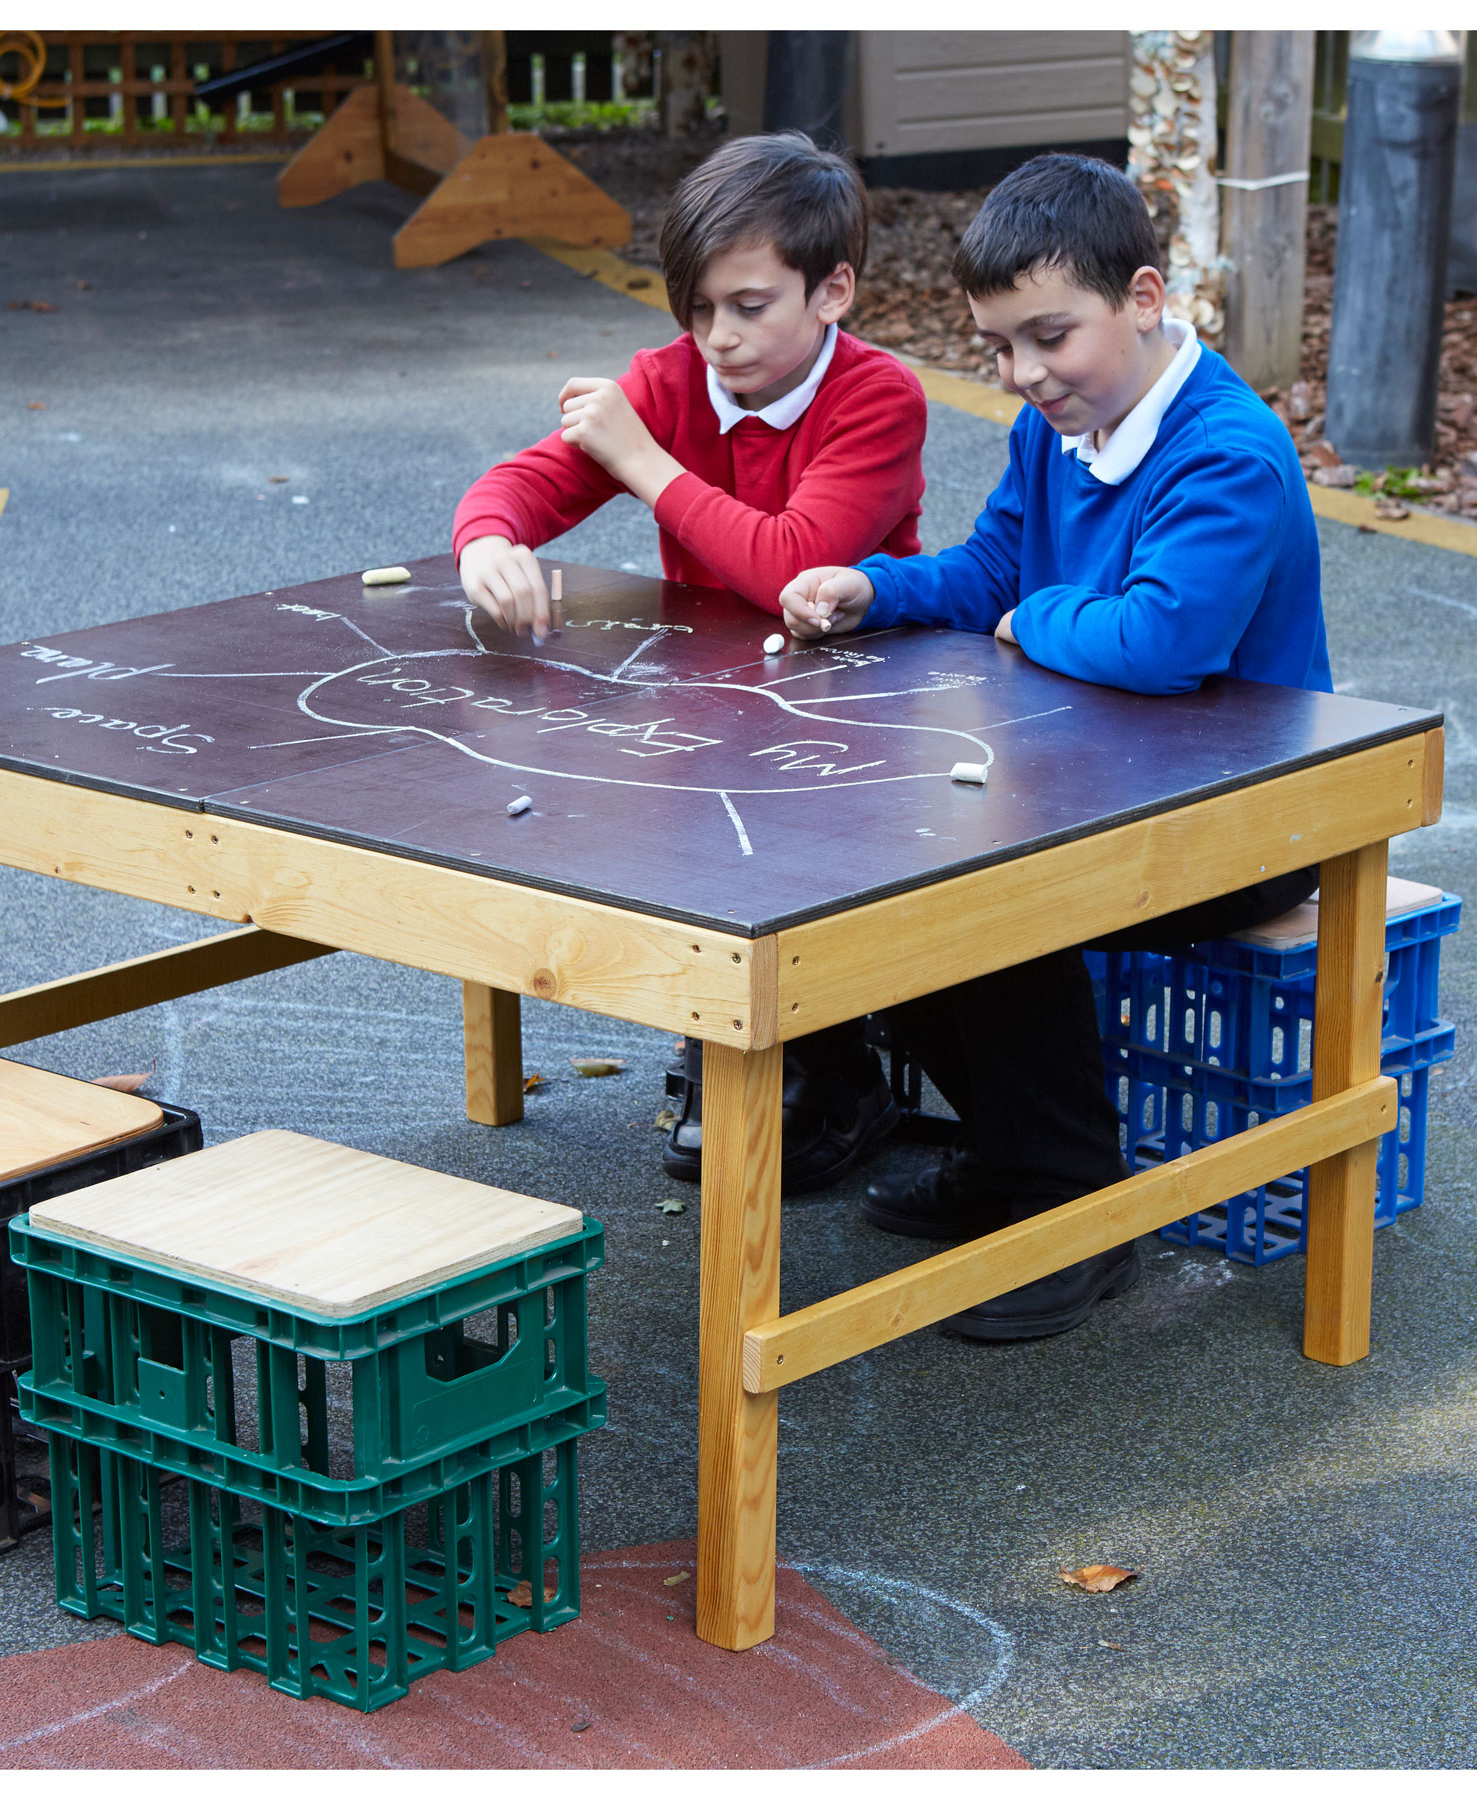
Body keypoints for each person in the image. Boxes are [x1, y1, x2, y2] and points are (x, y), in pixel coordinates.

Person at [778, 152, 1332, 1337]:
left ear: (1141, 298)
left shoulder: (1226, 450)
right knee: (891, 873)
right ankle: (1013, 1158)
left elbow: (1159, 640)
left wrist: (1035, 617)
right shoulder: (1061, 426)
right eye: (999, 347)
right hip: (1110, 774)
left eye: (1049, 337)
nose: (1025, 374)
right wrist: (876, 589)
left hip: (1254, 813)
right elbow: (992, 566)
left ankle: (1075, 1212)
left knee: (997, 902)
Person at [453, 129, 926, 1193]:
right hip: (720, 693)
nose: (717, 337)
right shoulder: (667, 383)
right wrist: (489, 541)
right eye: (697, 308)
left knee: (802, 866)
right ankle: (733, 1048)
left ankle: (837, 1067)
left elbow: (794, 565)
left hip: (863, 696)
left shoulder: (878, 396)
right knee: (658, 821)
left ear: (831, 291)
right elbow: (518, 487)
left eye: (750, 306)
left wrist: (639, 458)